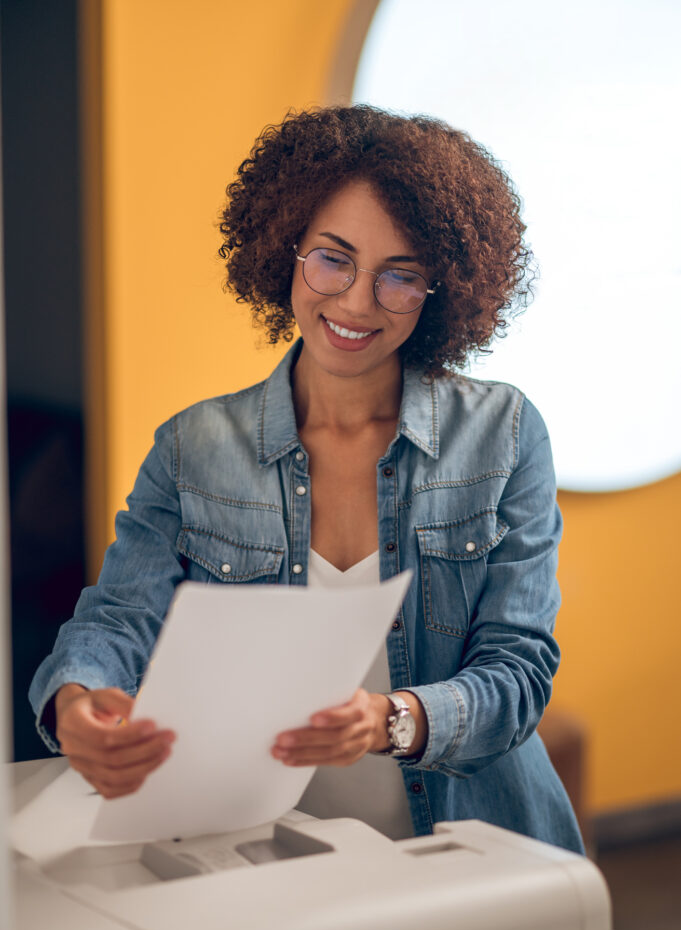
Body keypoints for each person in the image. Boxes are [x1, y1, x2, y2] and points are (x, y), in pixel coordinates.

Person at [29, 105, 583, 853]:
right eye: (332, 257)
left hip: (476, 853)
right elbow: (120, 620)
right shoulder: (192, 449)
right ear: (284, 249)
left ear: (439, 291)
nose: (356, 301)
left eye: (400, 277)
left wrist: (392, 718)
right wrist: (75, 699)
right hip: (272, 862)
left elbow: (518, 671)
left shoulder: (504, 434)